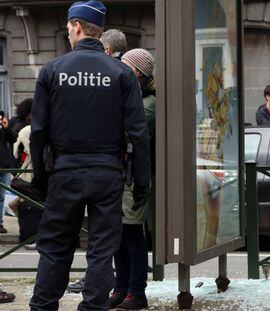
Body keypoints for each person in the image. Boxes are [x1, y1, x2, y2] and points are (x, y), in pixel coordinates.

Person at [29, 1, 151, 310]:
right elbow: (138, 133)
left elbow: (39, 130)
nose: (68, 32)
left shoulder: (52, 70)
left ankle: (43, 306)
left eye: (69, 27)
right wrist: (141, 181)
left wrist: (40, 177)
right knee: (101, 251)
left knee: (55, 248)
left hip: (65, 171)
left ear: (77, 26)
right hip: (108, 172)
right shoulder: (121, 74)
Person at [67, 27, 128, 296]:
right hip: (112, 169)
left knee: (99, 238)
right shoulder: (122, 76)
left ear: (108, 51)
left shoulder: (118, 75)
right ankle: (103, 290)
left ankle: (106, 285)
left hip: (92, 168)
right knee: (105, 238)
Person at [107, 48, 156, 310]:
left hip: (134, 176)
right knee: (119, 233)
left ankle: (137, 290)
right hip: (120, 173)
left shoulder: (148, 102)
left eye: (124, 67)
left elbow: (125, 131)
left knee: (132, 233)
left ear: (138, 73)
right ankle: (121, 286)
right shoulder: (132, 96)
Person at [0, 110, 17, 233]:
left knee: (1, 197)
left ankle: (0, 223)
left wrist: (6, 128)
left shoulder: (3, 128)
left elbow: (13, 139)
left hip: (4, 166)